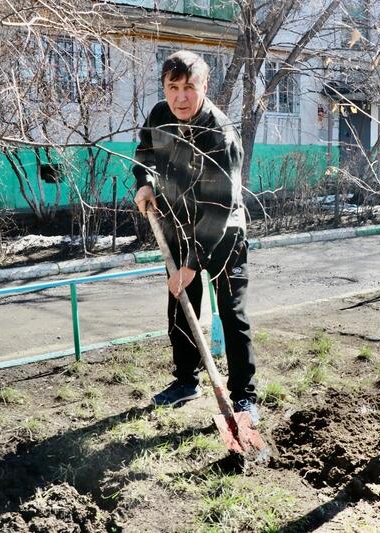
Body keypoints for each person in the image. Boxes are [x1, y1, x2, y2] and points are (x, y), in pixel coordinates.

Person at [132, 50, 258, 423]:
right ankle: (186, 381)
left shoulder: (220, 134)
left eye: (189, 87)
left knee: (231, 314)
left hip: (223, 234)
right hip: (178, 225)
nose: (181, 97)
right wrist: (144, 182)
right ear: (164, 88)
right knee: (181, 306)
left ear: (204, 86)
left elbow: (218, 207)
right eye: (173, 88)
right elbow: (143, 154)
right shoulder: (159, 115)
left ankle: (244, 397)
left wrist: (190, 265)